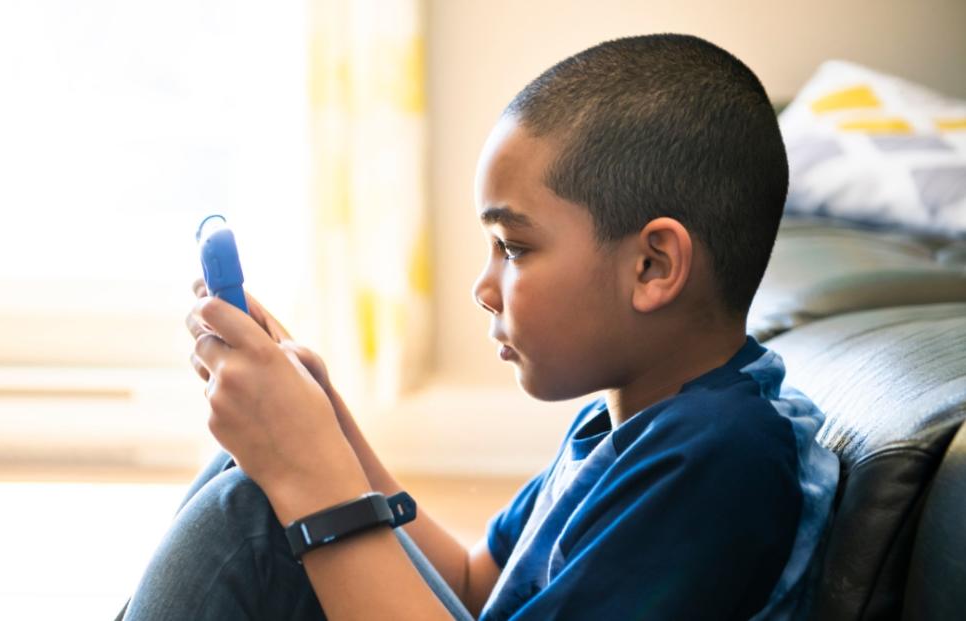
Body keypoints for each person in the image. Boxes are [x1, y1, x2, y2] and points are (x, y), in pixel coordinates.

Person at [118, 33, 838, 620]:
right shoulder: (624, 425)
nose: (483, 286)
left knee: (254, 508)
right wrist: (327, 435)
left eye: (515, 247)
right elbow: (472, 585)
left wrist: (310, 476)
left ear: (653, 265)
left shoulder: (723, 458)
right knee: (252, 476)